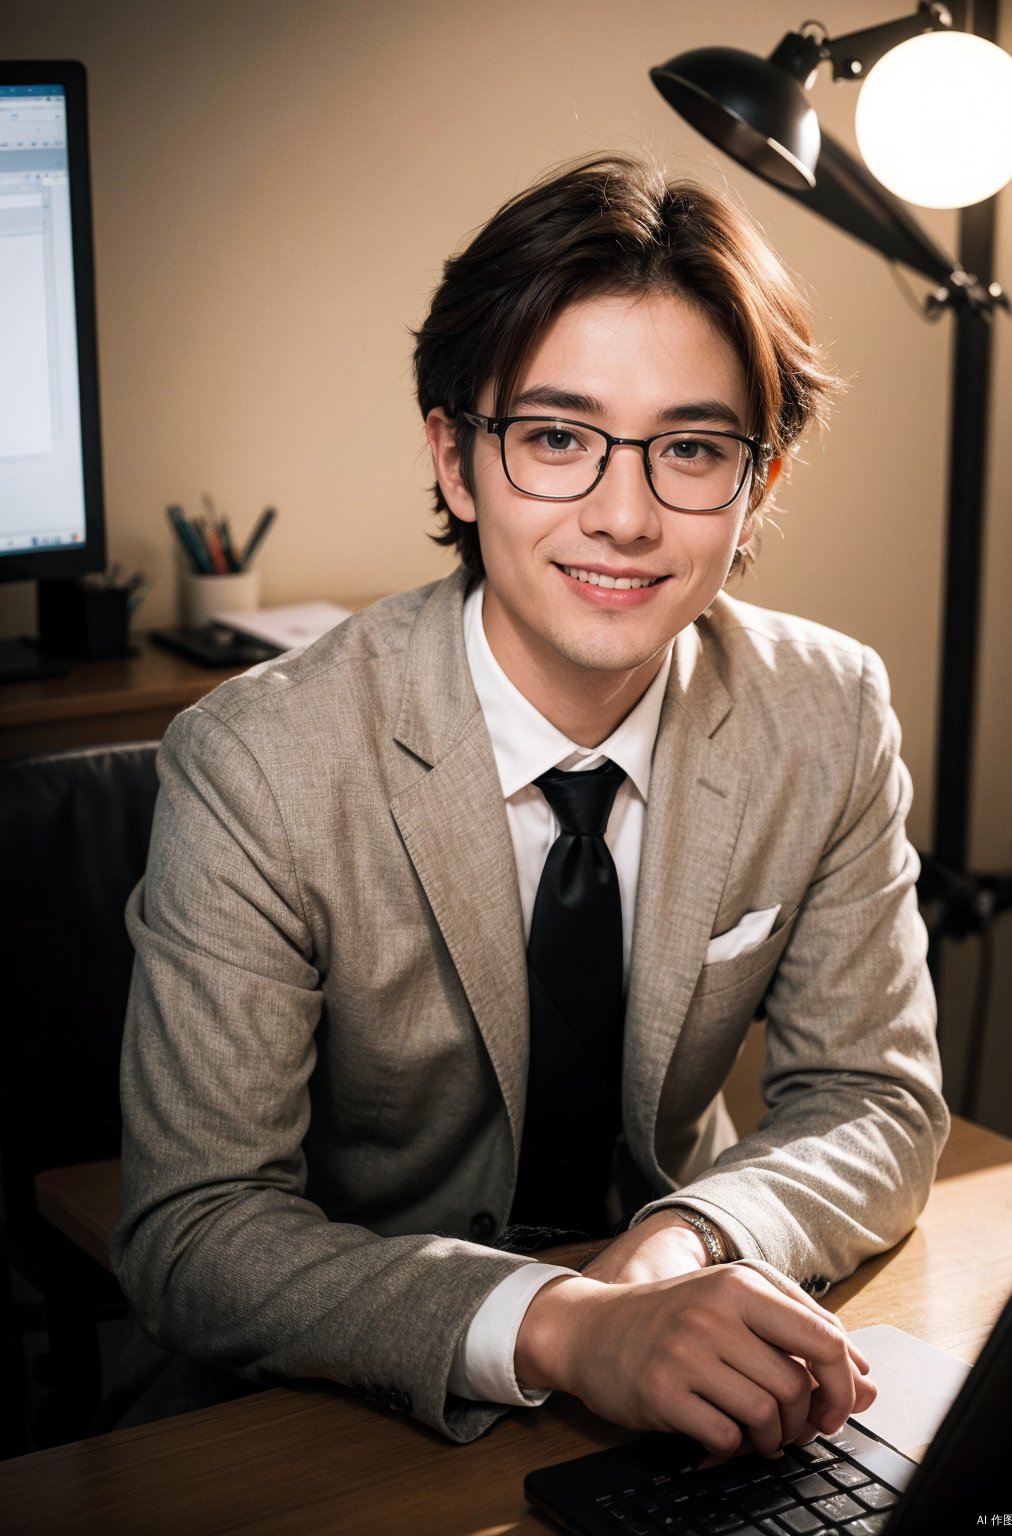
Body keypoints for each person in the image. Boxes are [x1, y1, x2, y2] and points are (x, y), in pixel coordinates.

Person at [111, 155, 948, 1455]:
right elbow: (199, 1226)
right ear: (457, 459)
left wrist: (678, 1247)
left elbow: (876, 1102)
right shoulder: (259, 759)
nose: (623, 515)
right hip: (361, 1394)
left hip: (699, 1346)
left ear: (756, 489)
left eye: (691, 449)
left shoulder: (827, 710)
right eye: (557, 438)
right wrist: (559, 1323)